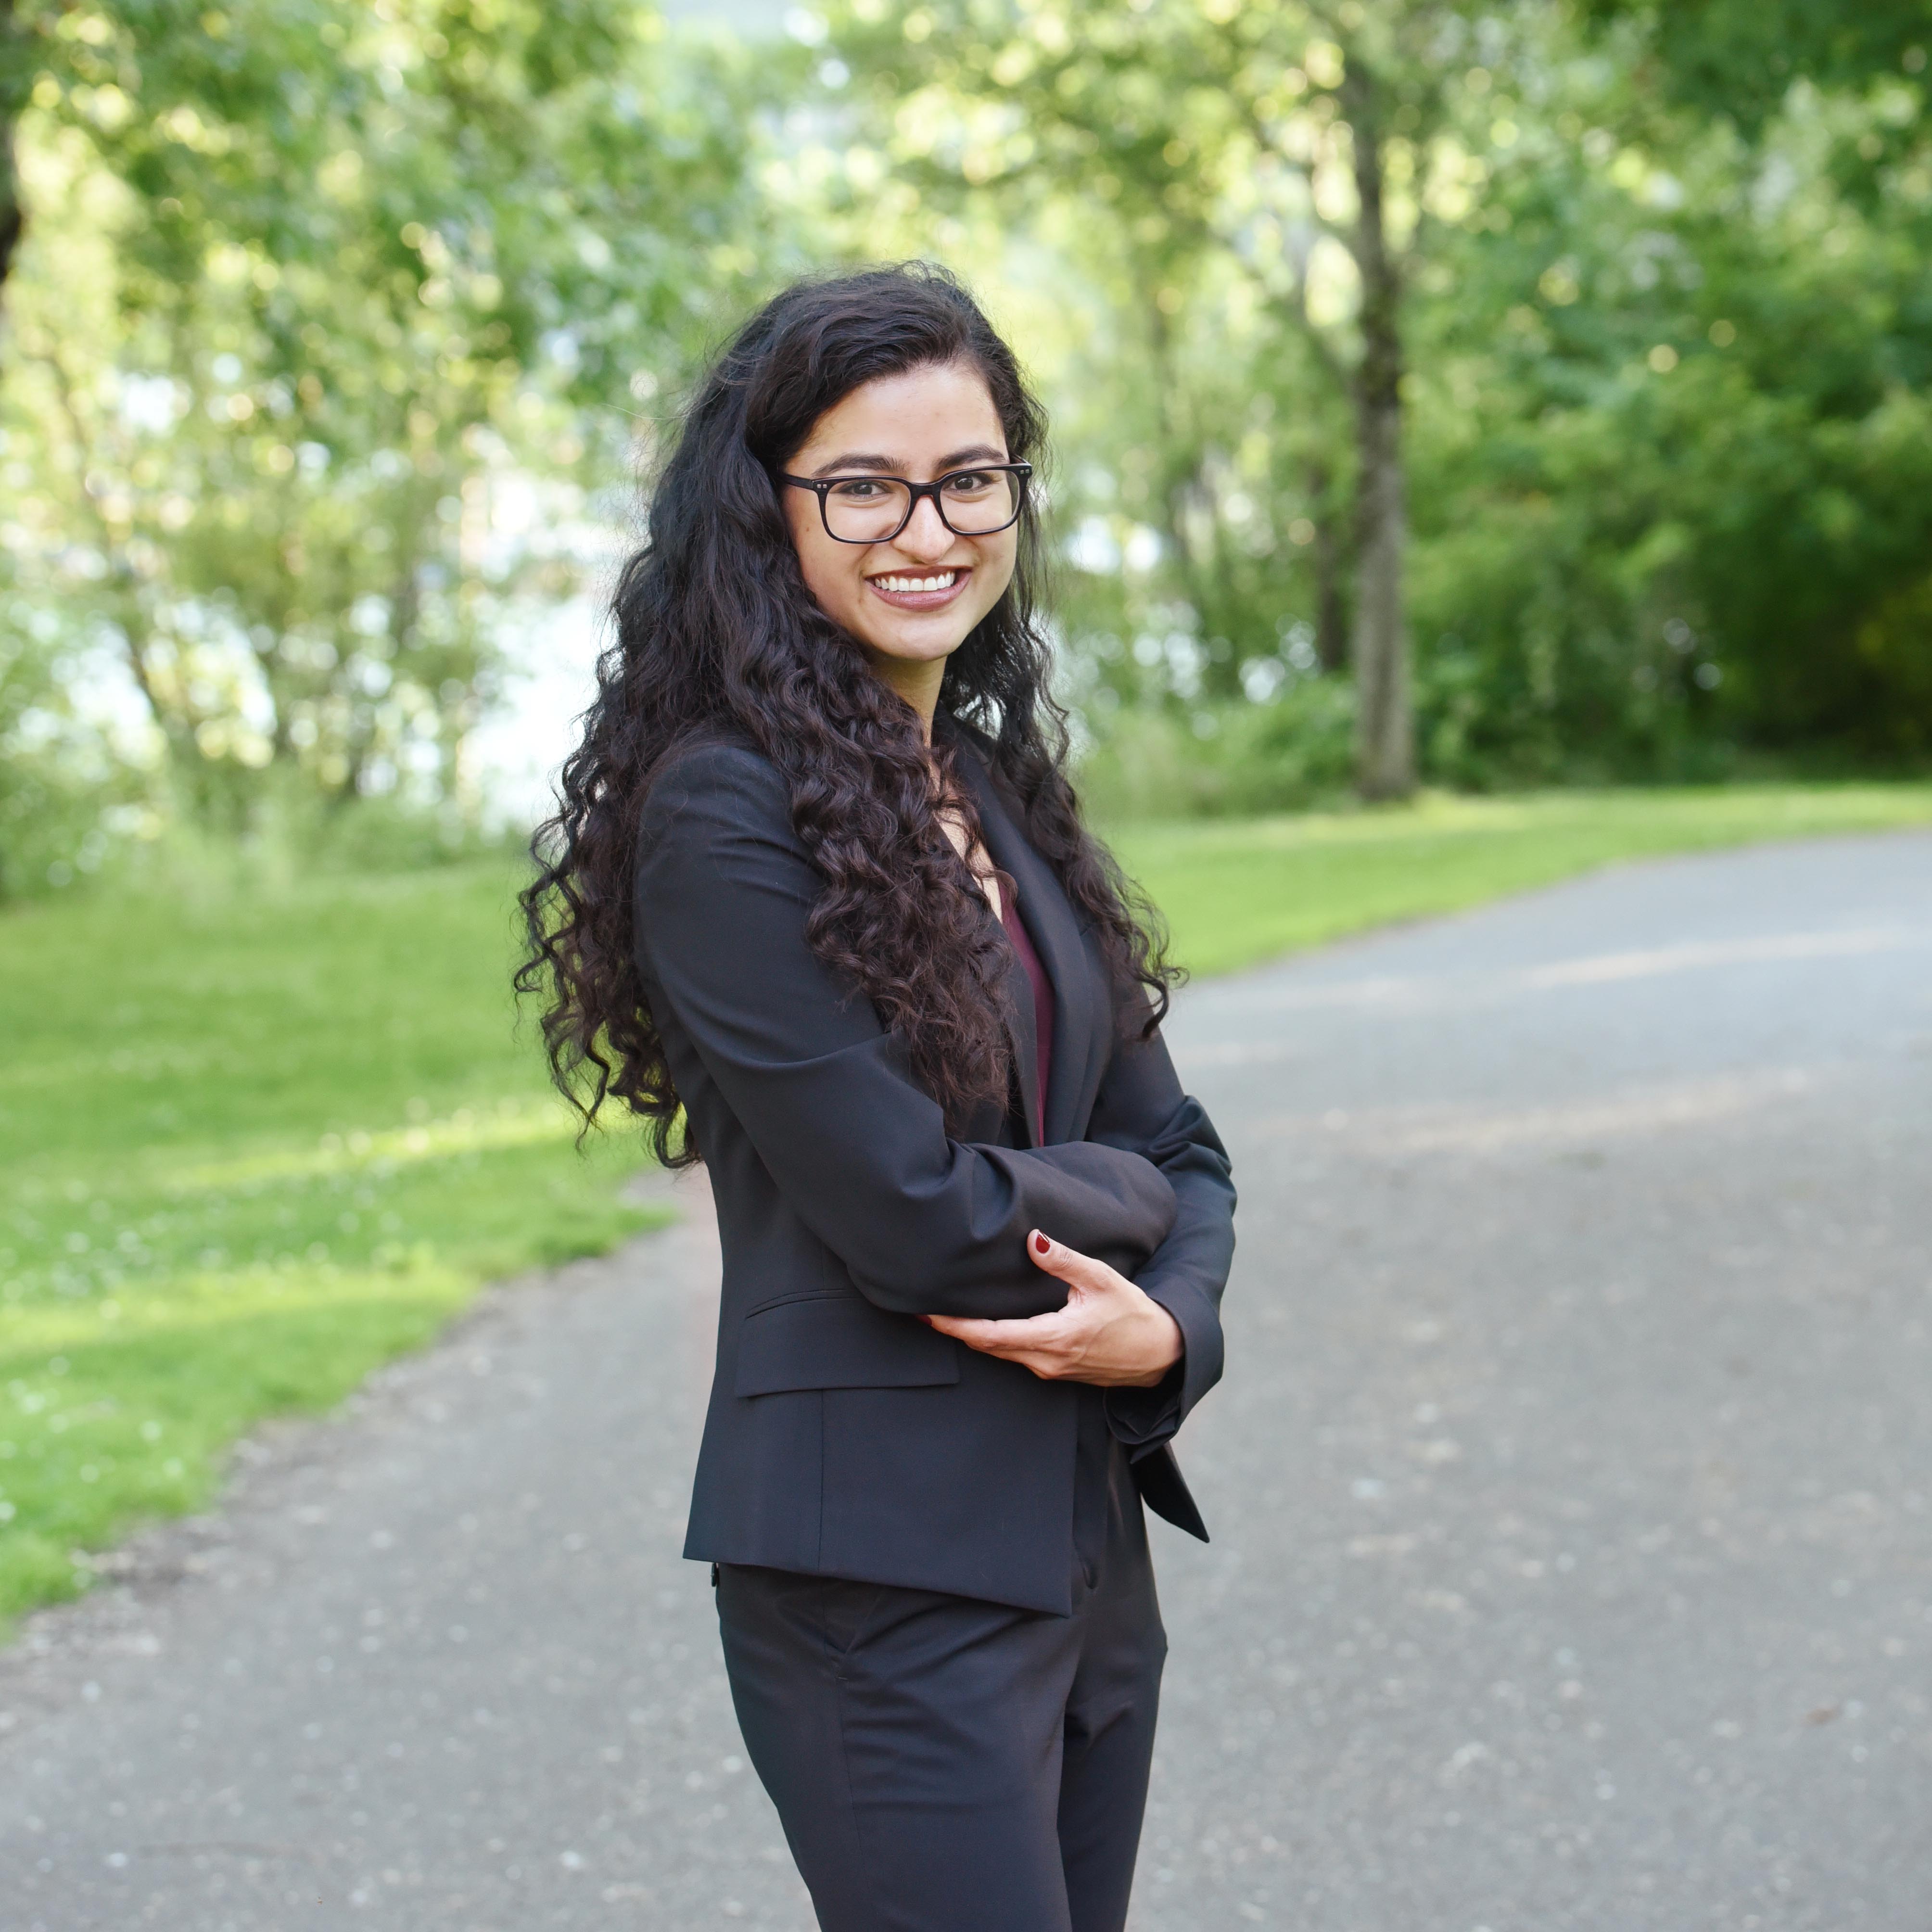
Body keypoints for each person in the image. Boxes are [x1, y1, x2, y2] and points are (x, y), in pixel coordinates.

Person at [519, 263, 1236, 1932]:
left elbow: (1183, 1145)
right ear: (766, 512)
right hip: (880, 1586)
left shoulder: (987, 783)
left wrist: (1173, 1335)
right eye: (864, 485)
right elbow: (914, 1216)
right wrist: (1122, 1207)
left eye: (969, 478)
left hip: (1082, 1552)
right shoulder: (724, 816)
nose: (929, 528)